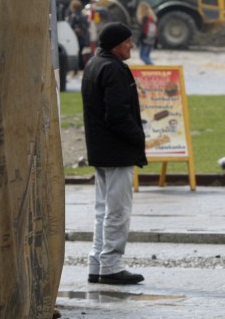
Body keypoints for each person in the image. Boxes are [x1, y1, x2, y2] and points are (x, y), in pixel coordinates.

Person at [81, 22, 147, 285]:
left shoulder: (94, 65)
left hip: (100, 148)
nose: (131, 45)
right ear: (117, 44)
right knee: (118, 210)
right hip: (117, 150)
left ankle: (97, 262)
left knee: (103, 210)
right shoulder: (114, 69)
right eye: (128, 41)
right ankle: (111, 264)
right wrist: (138, 137)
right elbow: (118, 115)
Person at [65, 0, 89, 73]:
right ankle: (81, 68)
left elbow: (70, 27)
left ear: (73, 7)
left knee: (76, 54)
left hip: (75, 38)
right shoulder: (83, 16)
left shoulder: (73, 16)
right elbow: (86, 27)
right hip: (82, 38)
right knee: (80, 53)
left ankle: (77, 69)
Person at [135, 1, 158, 65]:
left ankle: (152, 67)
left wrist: (138, 41)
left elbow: (142, 31)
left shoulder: (144, 18)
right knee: (147, 56)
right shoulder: (152, 18)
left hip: (145, 40)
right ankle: (149, 70)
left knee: (143, 56)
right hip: (151, 40)